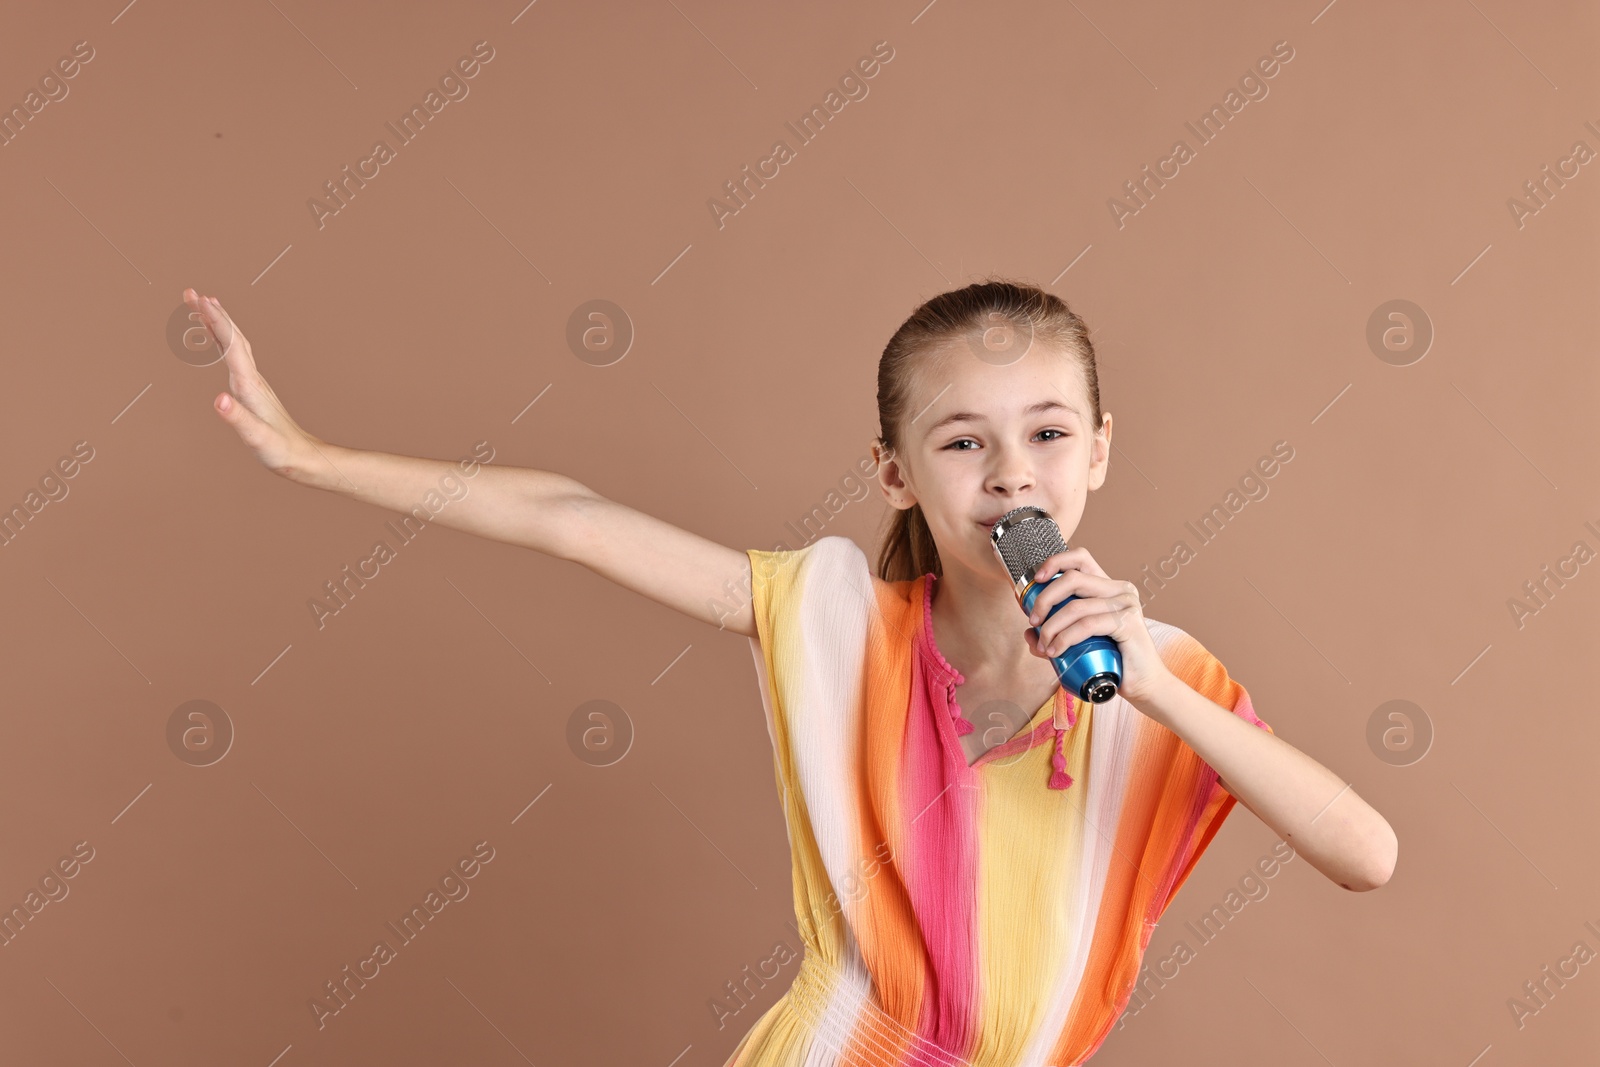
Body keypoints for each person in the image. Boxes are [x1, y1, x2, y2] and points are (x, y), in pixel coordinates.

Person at [184, 279, 1397, 1065]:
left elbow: (1365, 852)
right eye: (962, 441)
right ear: (895, 473)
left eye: (1047, 431)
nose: (1011, 475)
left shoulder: (1157, 679)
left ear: (1099, 449)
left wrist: (1155, 686)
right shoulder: (836, 625)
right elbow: (571, 513)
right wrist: (313, 460)